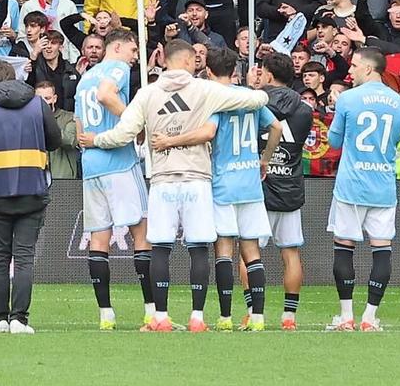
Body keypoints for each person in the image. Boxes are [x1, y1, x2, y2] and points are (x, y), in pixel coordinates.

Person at [78, 38, 269, 332]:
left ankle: (161, 317)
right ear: (190, 59)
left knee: (161, 249)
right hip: (196, 179)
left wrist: (96, 140)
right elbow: (258, 101)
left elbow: (123, 133)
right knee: (198, 248)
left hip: (162, 180)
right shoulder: (206, 90)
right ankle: (197, 318)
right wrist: (249, 90)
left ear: (164, 60)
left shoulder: (147, 93)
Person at [0, 59, 60, 333]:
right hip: (32, 188)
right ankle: (19, 319)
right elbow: (55, 140)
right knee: (23, 257)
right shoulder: (37, 104)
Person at [74, 28, 155, 329]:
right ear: (118, 47)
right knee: (142, 231)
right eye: (134, 51)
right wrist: (135, 119)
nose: (135, 58)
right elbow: (105, 95)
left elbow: (79, 123)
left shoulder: (85, 75)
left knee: (99, 237)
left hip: (91, 163)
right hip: (118, 161)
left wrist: (87, 142)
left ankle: (105, 314)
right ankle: (151, 310)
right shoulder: (116, 68)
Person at [325, 47, 400, 332]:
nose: (350, 71)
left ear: (369, 69)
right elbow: (396, 140)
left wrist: (336, 108)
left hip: (352, 185)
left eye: (355, 66)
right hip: (383, 185)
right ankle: (370, 318)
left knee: (344, 246)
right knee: (382, 249)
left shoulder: (347, 98)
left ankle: (346, 316)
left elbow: (334, 142)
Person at [201, 44, 278, 331]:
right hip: (249, 183)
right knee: (251, 251)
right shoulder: (251, 98)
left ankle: (224, 317)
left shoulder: (215, 101)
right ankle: (257, 317)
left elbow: (209, 133)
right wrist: (264, 159)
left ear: (208, 70)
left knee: (223, 250)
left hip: (223, 183)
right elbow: (277, 128)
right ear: (235, 70)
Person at [252, 53, 315, 331]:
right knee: (290, 253)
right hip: (290, 185)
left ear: (267, 74)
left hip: (260, 185)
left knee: (250, 252)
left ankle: (254, 312)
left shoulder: (254, 104)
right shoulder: (305, 109)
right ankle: (289, 317)